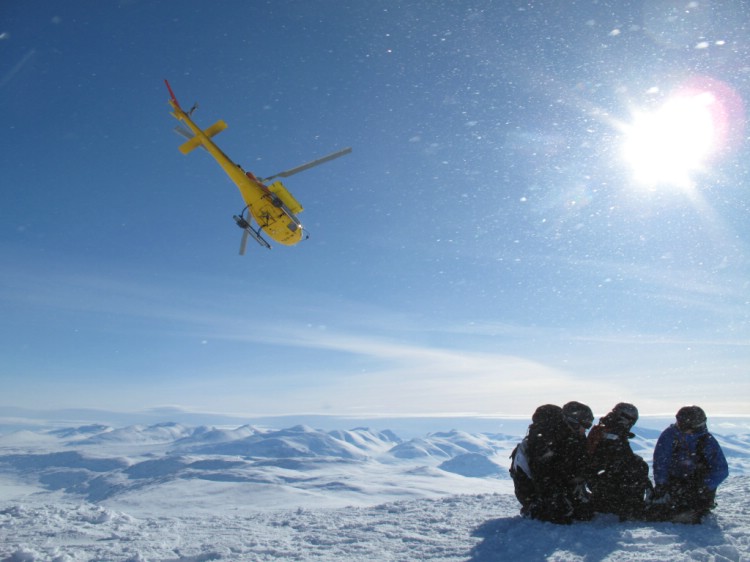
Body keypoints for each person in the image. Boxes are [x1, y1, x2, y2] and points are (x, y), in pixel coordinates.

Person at [510, 402, 594, 524]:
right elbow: (542, 473)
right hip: (533, 487)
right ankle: (532, 508)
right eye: (585, 424)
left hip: (557, 483)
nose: (586, 429)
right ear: (574, 422)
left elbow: (578, 465)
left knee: (584, 513)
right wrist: (555, 498)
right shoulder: (545, 438)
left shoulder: (575, 438)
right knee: (560, 515)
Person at [650, 406, 729, 523]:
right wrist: (662, 484)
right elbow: (661, 462)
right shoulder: (669, 436)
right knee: (663, 508)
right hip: (674, 482)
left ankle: (694, 510)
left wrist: (703, 487)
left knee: (691, 506)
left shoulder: (706, 440)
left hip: (699, 484)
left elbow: (721, 470)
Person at [586, 403, 653, 520]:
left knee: (638, 466)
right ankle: (631, 507)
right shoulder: (611, 432)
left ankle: (628, 504)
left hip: (601, 476)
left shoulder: (605, 427)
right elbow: (615, 457)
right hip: (604, 477)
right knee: (638, 467)